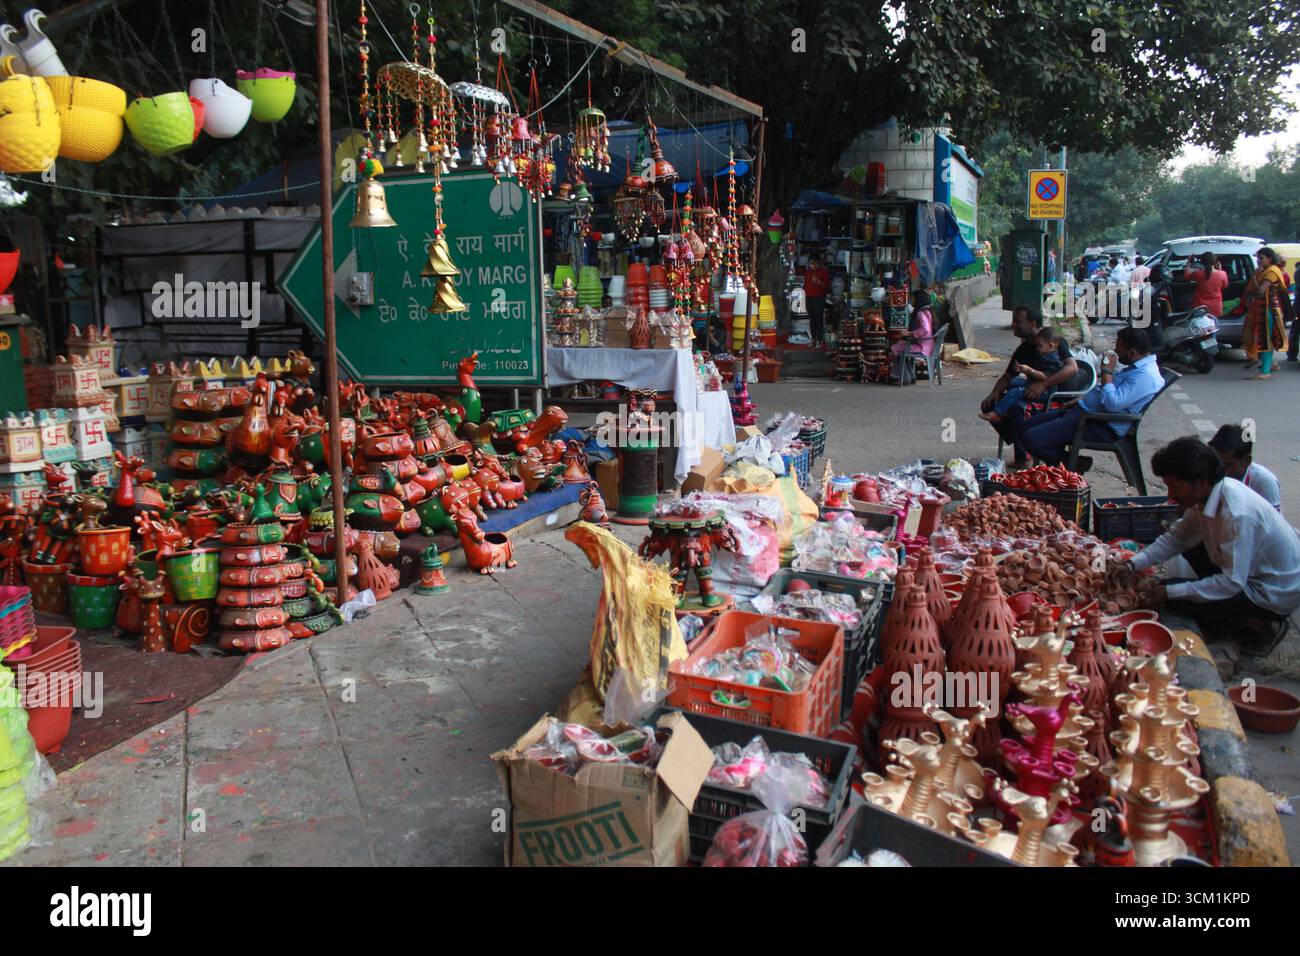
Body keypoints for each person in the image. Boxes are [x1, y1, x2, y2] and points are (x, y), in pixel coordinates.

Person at [1129, 437, 1299, 653]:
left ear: (1200, 482)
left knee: (1175, 598)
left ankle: (1258, 623)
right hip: (1247, 574)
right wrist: (1131, 565)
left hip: (1273, 593)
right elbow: (1177, 539)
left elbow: (1231, 583)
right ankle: (1232, 616)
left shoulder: (1235, 514)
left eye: (1175, 487)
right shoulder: (1208, 495)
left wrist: (1169, 592)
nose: (1170, 495)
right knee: (1185, 551)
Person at [1020, 326, 1163, 470]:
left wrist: (1106, 372)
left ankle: (1074, 464)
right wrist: (1081, 399)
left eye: (1119, 348)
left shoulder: (1145, 376)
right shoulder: (1137, 368)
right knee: (1025, 428)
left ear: (1132, 352)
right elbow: (1108, 392)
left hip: (1099, 424)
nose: (1116, 352)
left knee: (1032, 439)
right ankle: (1065, 467)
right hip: (1083, 412)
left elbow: (1112, 403)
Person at [981, 307, 1079, 466]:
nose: (1013, 325)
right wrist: (995, 392)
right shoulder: (1023, 349)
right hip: (1032, 393)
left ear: (1032, 323)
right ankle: (1022, 441)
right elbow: (1008, 376)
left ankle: (1024, 454)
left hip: (1055, 395)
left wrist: (1043, 384)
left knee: (1018, 407)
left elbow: (1072, 367)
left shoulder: (1051, 340)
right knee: (990, 404)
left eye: (1017, 322)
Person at [979, 327, 1064, 424]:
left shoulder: (1053, 359)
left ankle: (998, 413)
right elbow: (1008, 376)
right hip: (1034, 383)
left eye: (1040, 346)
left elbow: (1046, 376)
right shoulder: (1044, 353)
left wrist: (1029, 371)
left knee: (1015, 392)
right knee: (1014, 382)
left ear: (1051, 345)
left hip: (1045, 392)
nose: (1037, 348)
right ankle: (1006, 406)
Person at [1240, 246, 1292, 380]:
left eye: (1261, 258)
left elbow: (1260, 291)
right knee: (1266, 338)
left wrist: (1255, 278)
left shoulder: (1272, 272)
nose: (1258, 260)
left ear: (1269, 259)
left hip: (1268, 309)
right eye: (1258, 257)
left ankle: (1265, 371)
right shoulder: (1266, 270)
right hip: (1262, 309)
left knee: (1265, 339)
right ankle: (1270, 365)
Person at [1208, 423, 1283, 513]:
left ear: (1246, 461)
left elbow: (1272, 521)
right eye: (1217, 462)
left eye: (1228, 464)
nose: (1221, 469)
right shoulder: (1211, 473)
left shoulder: (1265, 481)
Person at [889, 289, 937, 383]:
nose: (911, 301)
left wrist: (910, 333)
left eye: (913, 298)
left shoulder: (920, 313)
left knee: (894, 348)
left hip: (922, 347)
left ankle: (905, 376)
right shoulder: (928, 311)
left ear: (918, 300)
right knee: (901, 350)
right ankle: (910, 375)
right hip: (929, 346)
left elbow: (925, 330)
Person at [1182, 252, 1228, 317]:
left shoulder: (1198, 273)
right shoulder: (1223, 274)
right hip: (1216, 308)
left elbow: (1186, 276)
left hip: (1200, 308)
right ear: (1215, 262)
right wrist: (1220, 269)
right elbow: (1224, 287)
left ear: (1202, 262)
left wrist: (1189, 262)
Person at [803, 255, 831, 345]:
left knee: (818, 319)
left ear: (819, 264)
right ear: (809, 264)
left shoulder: (823, 272)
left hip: (819, 297)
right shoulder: (807, 273)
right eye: (812, 264)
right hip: (809, 297)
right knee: (812, 319)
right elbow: (806, 285)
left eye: (816, 264)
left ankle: (819, 340)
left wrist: (819, 282)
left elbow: (827, 287)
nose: (814, 266)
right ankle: (813, 339)